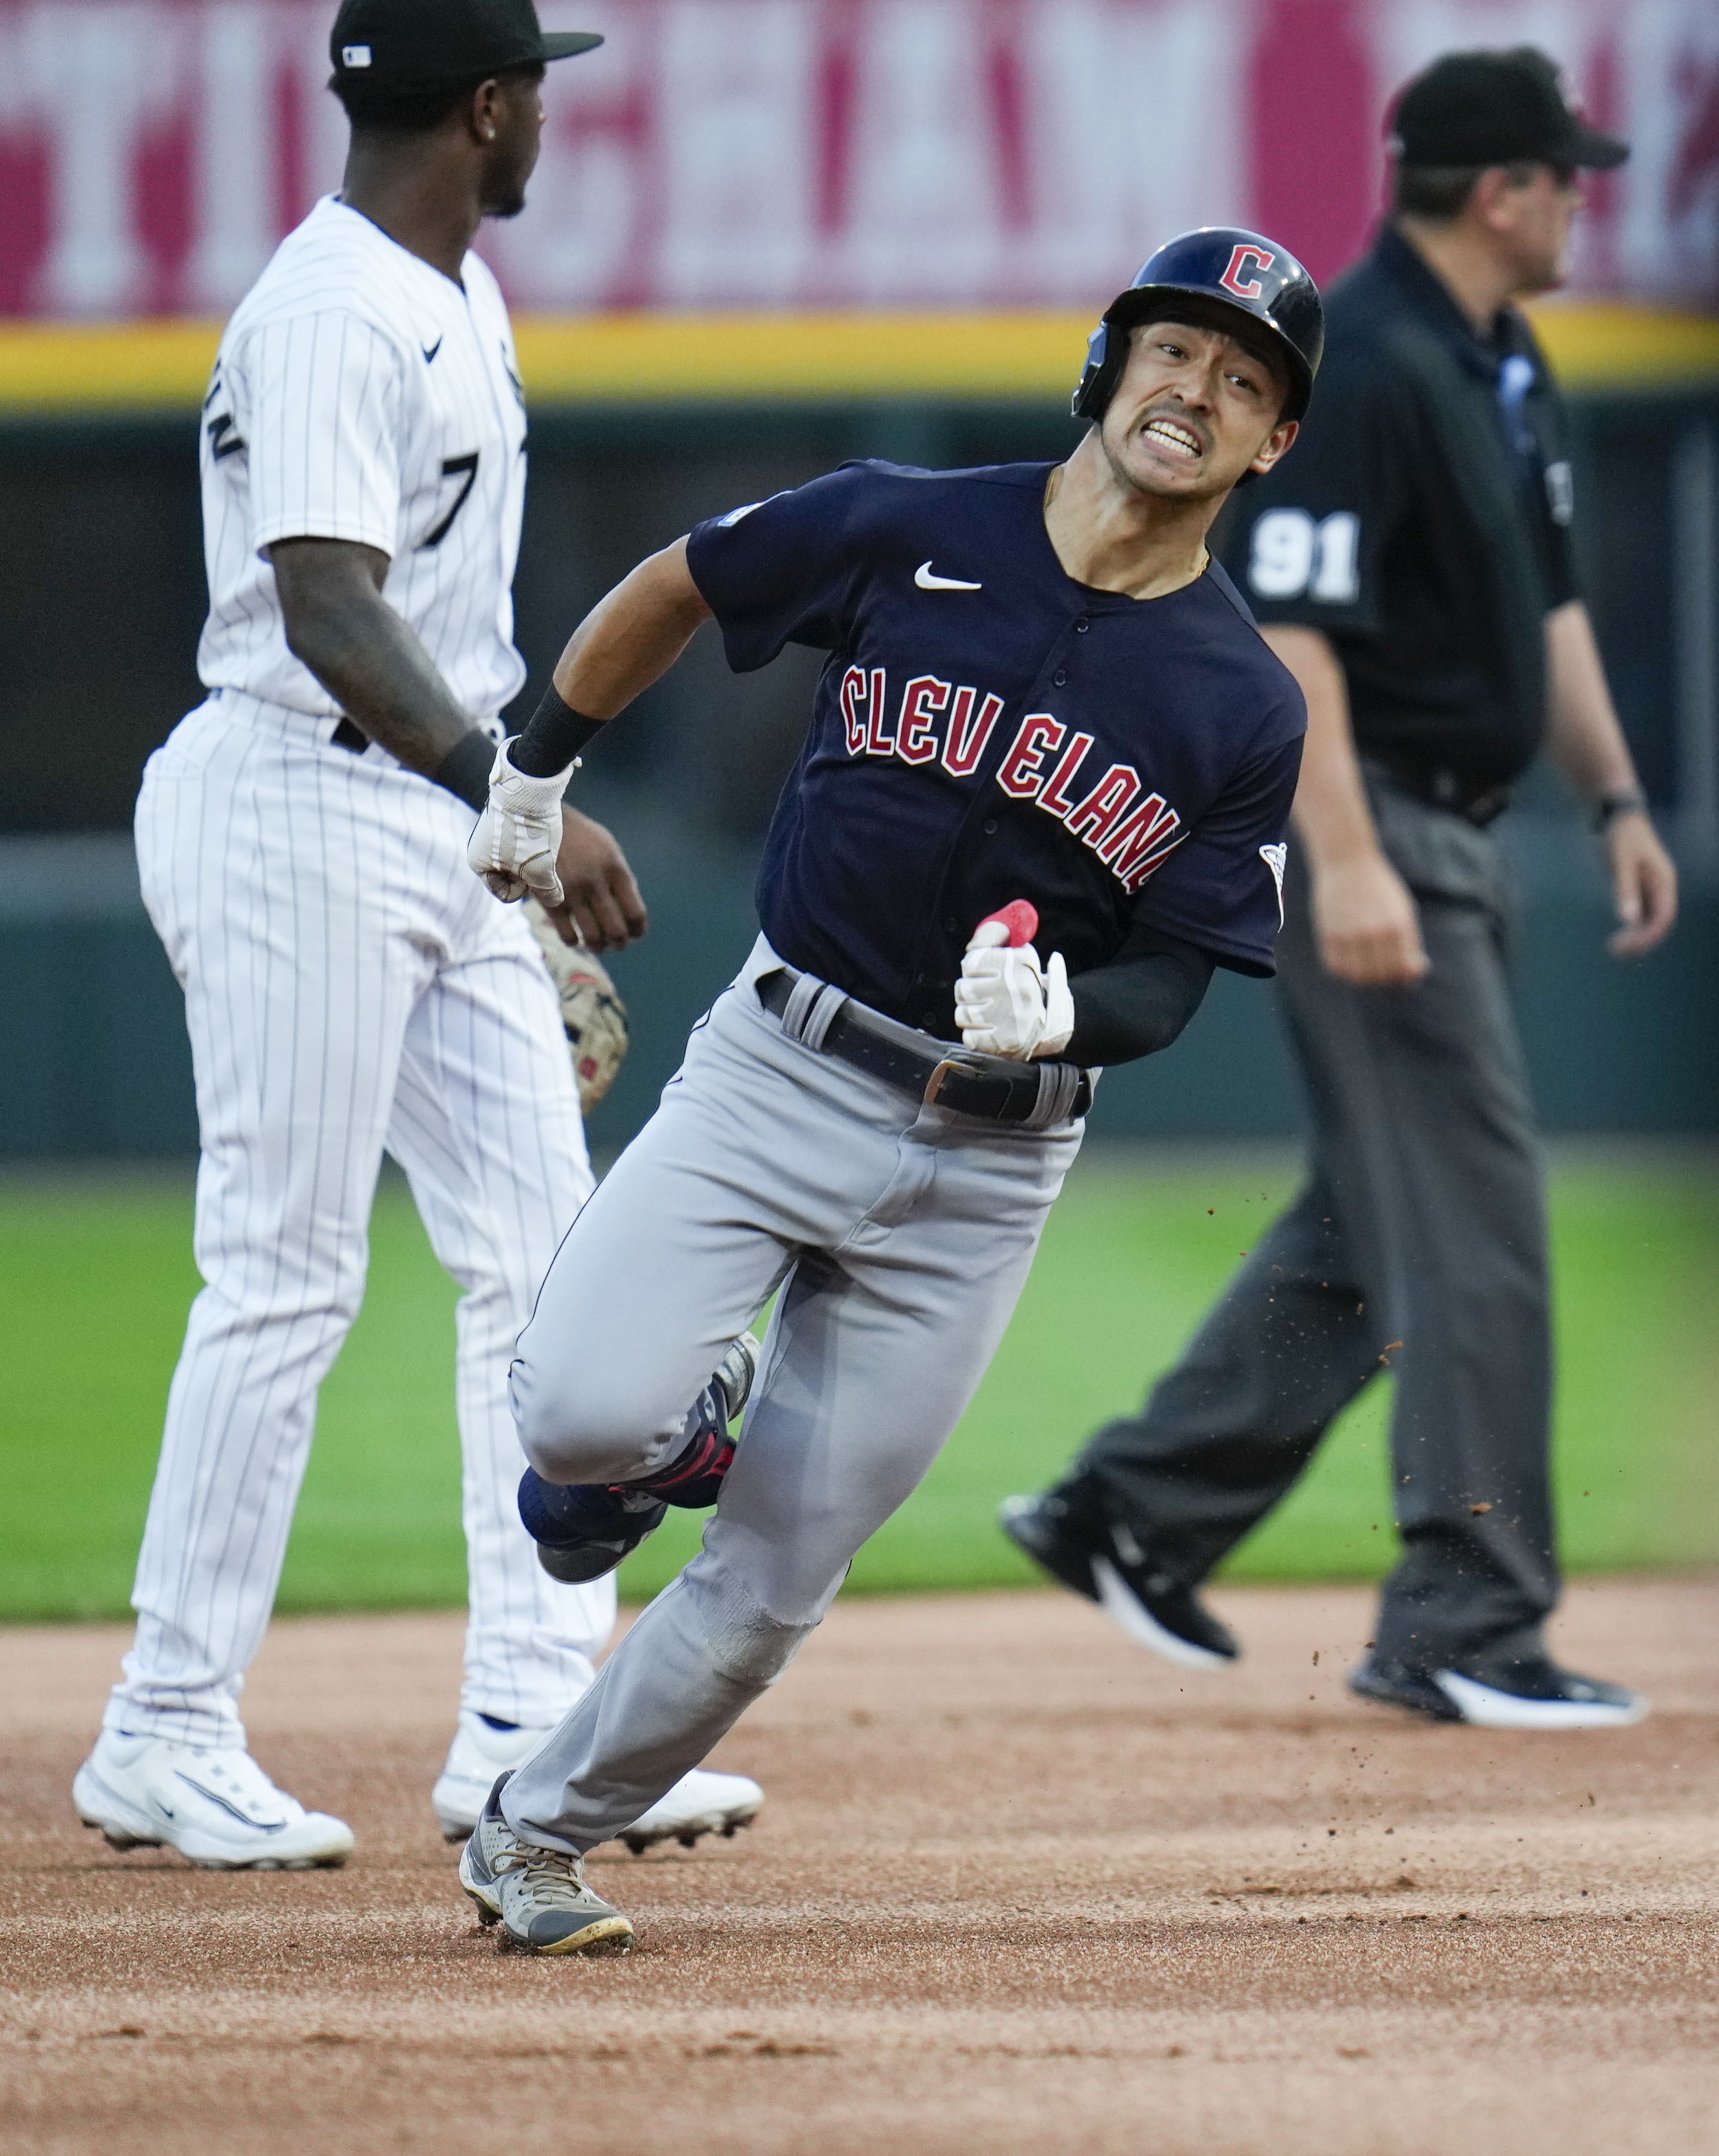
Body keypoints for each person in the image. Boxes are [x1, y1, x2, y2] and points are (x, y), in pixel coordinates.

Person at [446, 226, 1323, 1956]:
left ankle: (538, 1831)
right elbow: (683, 579)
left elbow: (1184, 971)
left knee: (773, 1591)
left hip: (987, 1176)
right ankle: (670, 1436)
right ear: (1108, 365)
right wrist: (537, 760)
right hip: (783, 1061)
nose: (1197, 394)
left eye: (1244, 382)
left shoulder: (1245, 702)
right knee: (574, 1427)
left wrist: (1071, 1014)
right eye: (1175, 352)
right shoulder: (913, 524)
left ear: (1272, 444)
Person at [72, 0, 760, 1871]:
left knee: (551, 1274)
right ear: (482, 109)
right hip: (296, 794)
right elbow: (326, 603)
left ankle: (536, 1726)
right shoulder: (329, 311)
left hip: (424, 822)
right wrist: (527, 810)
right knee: (285, 1272)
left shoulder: (455, 289)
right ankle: (162, 1727)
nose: (549, 108)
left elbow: (436, 625)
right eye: (534, 83)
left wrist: (501, 838)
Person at [1003, 48, 1678, 1730]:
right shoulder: (1366, 358)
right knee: (1478, 1239)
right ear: (1502, 190)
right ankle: (1464, 1616)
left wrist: (1614, 798)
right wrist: (1351, 856)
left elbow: (1551, 615)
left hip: (1456, 824)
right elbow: (1293, 621)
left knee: (1376, 1235)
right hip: (1375, 827)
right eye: (1566, 176)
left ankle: (1128, 1512)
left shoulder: (1499, 361)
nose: (1583, 202)